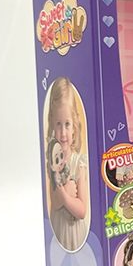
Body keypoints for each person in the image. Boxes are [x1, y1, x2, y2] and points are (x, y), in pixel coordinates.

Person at [47, 77, 89, 252]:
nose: (63, 132)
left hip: (75, 234)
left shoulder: (79, 163)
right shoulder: (51, 163)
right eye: (58, 124)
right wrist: (66, 193)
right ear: (52, 125)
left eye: (67, 124)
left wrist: (64, 197)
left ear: (74, 128)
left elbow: (82, 211)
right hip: (58, 230)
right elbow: (55, 203)